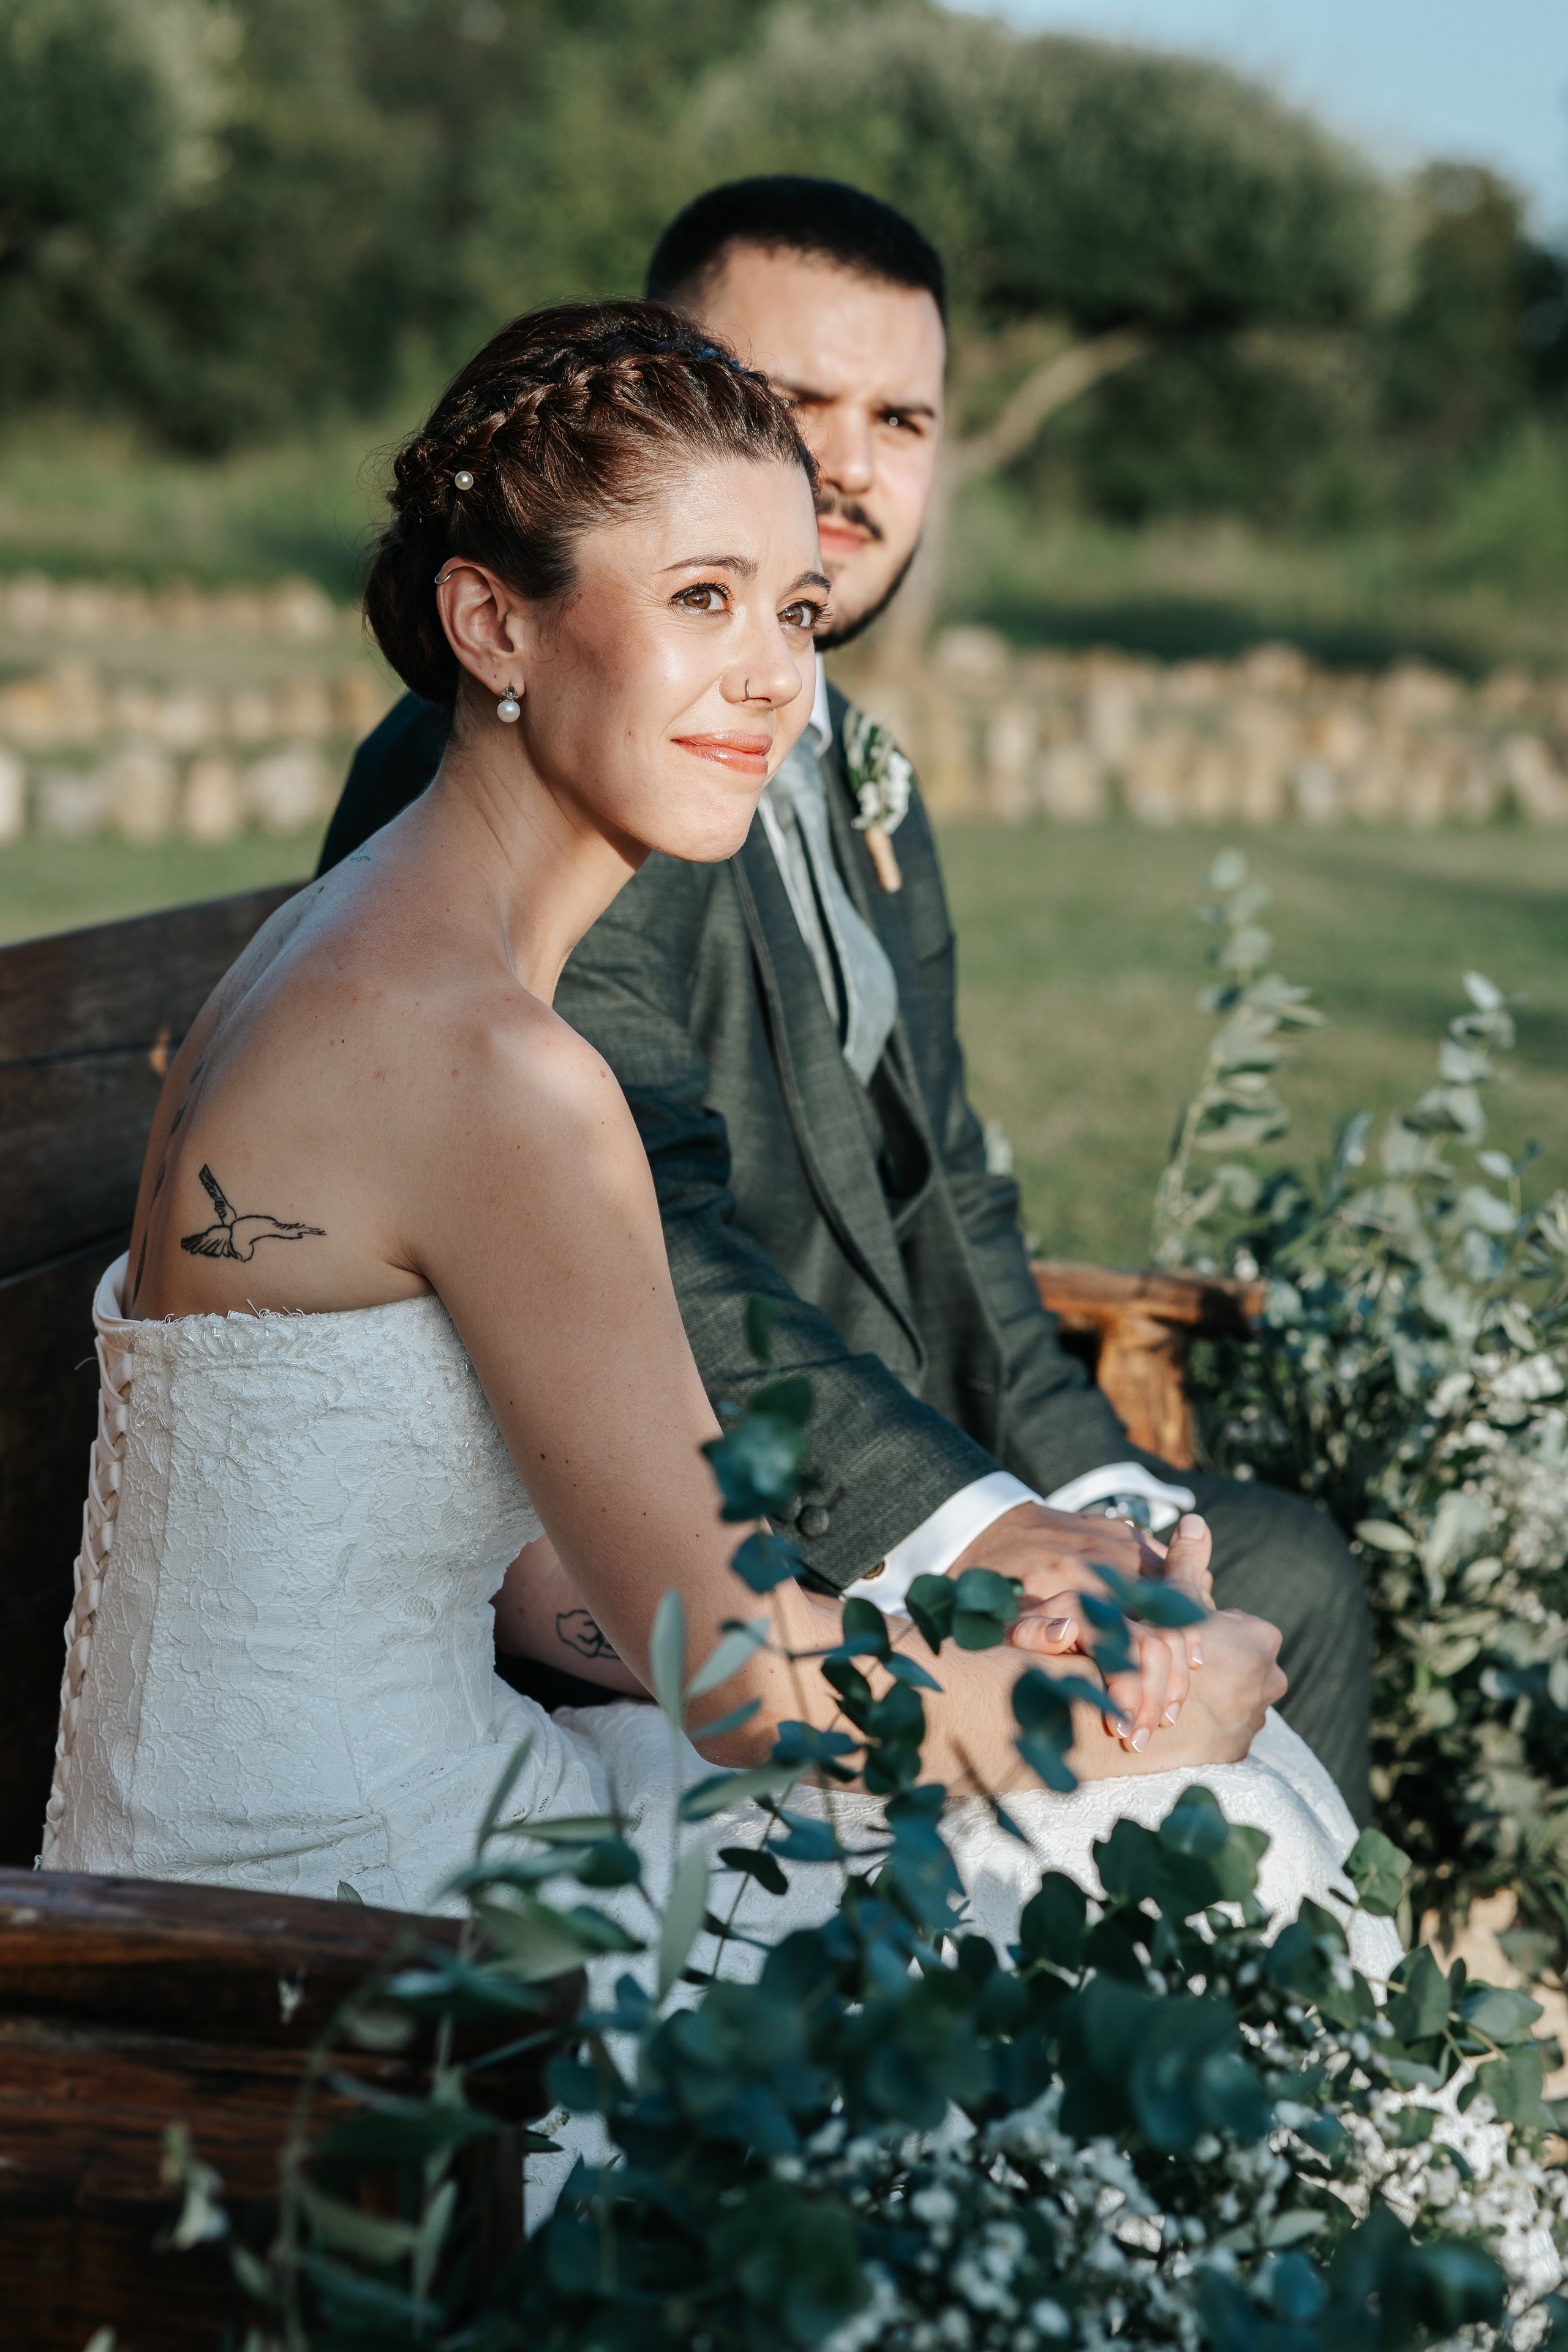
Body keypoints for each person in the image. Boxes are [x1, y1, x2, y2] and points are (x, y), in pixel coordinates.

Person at [39, 305, 1394, 2005]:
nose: (772, 674)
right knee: (1193, 1825)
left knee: (1104, 1834)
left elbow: (530, 1568)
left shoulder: (362, 949)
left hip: (244, 1820)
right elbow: (742, 1682)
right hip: (316, 1924)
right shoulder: (492, 1068)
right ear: (491, 621)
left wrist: (991, 1644)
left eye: (795, 608)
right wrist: (1133, 1703)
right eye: (701, 601)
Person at [320, 178, 1373, 1823]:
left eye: (902, 417)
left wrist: (1094, 1490)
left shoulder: (824, 755)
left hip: (796, 1517)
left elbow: (949, 1185)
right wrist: (971, 1530)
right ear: (659, 395)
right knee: (1181, 1702)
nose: (851, 465)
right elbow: (634, 1237)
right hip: (673, 1532)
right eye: (790, 402)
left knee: (1269, 1577)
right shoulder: (557, 780)